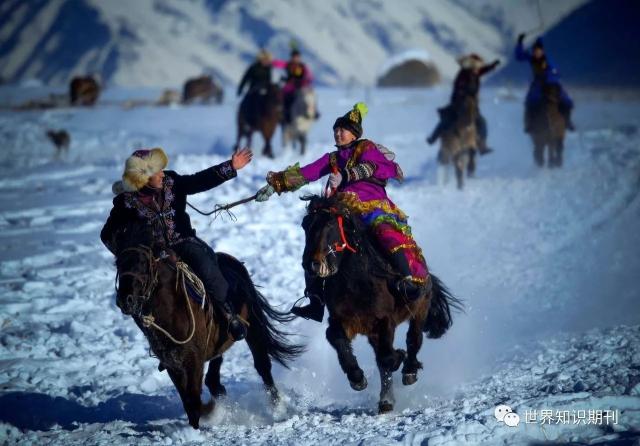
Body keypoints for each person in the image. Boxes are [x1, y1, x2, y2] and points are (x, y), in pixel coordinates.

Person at [255, 103, 431, 322]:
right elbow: (308, 172)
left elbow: (382, 168)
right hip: (343, 208)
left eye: (343, 130)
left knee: (386, 232)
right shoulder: (332, 158)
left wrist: (347, 175)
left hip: (372, 205)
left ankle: (406, 281)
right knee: (317, 236)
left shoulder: (366, 148)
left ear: (354, 134)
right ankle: (316, 300)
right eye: (336, 130)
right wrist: (277, 185)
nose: (338, 133)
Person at [101, 147, 253, 340]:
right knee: (136, 290)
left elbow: (199, 180)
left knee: (207, 267)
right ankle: (158, 339)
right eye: (157, 171)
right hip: (151, 254)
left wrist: (231, 166)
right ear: (143, 177)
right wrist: (128, 254)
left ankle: (228, 313)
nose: (162, 174)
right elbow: (107, 234)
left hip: (183, 242)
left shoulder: (172, 182)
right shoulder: (126, 202)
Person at [427, 54, 499, 153]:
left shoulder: (475, 74)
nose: (477, 68)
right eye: (476, 66)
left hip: (472, 106)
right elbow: (459, 89)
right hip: (458, 104)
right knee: (446, 121)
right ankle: (433, 137)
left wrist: (492, 66)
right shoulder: (462, 75)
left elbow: (483, 70)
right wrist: (464, 94)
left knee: (482, 123)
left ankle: (482, 145)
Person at [515, 34, 575, 132]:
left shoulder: (548, 60)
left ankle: (567, 121)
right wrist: (519, 43)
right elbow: (519, 56)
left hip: (551, 84)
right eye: (534, 51)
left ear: (542, 51)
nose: (536, 53)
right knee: (529, 101)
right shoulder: (531, 58)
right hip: (537, 84)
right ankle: (529, 124)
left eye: (538, 50)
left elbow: (555, 71)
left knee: (566, 100)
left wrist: (549, 77)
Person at [237, 49, 275, 126]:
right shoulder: (253, 67)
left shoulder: (268, 69)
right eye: (264, 59)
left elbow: (269, 80)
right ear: (260, 59)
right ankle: (248, 120)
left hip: (265, 90)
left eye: (267, 59)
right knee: (248, 103)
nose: (266, 61)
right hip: (253, 90)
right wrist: (240, 88)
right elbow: (245, 78)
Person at [278, 49, 314, 124]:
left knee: (309, 97)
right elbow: (279, 64)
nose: (295, 58)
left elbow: (309, 76)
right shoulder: (288, 65)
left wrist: (306, 81)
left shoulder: (302, 66)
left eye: (297, 57)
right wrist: (271, 62)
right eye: (294, 57)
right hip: (290, 87)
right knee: (283, 98)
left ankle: (313, 112)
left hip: (301, 87)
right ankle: (284, 114)